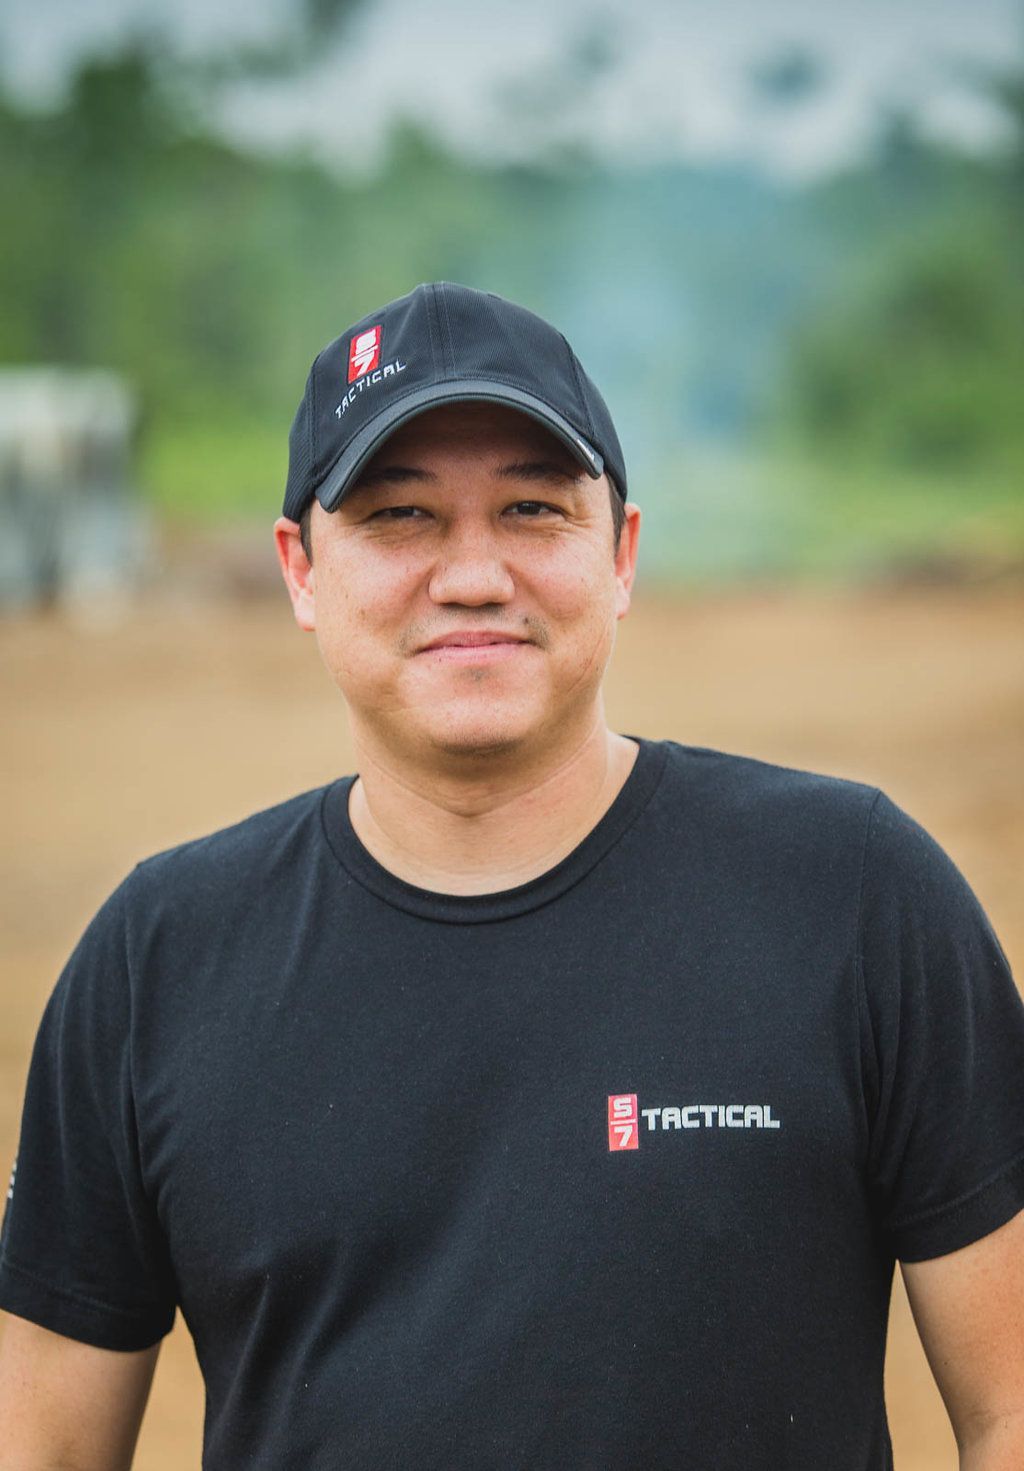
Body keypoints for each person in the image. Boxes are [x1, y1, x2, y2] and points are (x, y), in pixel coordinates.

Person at [1, 282, 1022, 1471]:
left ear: (622, 551)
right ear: (300, 571)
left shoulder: (854, 894)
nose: (473, 574)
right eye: (398, 516)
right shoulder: (157, 957)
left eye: (533, 508)